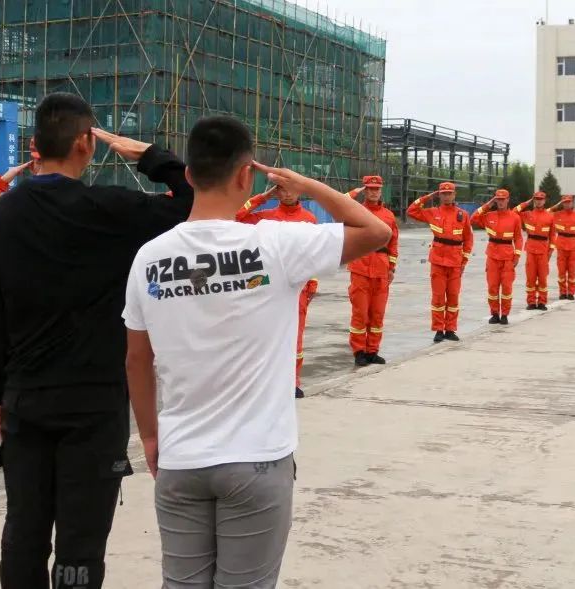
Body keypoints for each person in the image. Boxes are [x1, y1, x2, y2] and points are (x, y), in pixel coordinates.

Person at [122, 116, 390, 588]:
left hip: (181, 458)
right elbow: (375, 231)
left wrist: (149, 438)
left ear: (189, 175)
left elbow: (137, 360)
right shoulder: (276, 244)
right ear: (247, 175)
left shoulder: (150, 257)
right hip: (256, 459)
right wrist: (306, 185)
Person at [0, 93, 195, 589]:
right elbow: (192, 200)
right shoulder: (109, 210)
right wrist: (148, 156)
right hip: (94, 403)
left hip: (25, 398)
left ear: (35, 144)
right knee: (81, 542)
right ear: (85, 143)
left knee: (23, 532)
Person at [236, 184, 318, 397]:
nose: (288, 193)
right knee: (267, 335)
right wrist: (262, 197)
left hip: (298, 285)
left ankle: (292, 382)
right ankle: (268, 382)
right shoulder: (265, 218)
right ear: (276, 192)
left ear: (300, 191)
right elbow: (236, 217)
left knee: (295, 336)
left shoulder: (309, 219)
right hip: (269, 285)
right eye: (281, 190)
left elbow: (312, 255)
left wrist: (312, 284)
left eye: (291, 189)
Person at [407, 182, 474, 342]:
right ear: (439, 195)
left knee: (453, 297)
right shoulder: (433, 212)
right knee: (438, 297)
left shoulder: (463, 215)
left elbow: (468, 239)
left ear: (454, 195)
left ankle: (450, 329)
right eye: (443, 193)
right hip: (437, 261)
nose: (446, 196)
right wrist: (428, 196)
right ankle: (438, 329)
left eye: (449, 193)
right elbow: (411, 211)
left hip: (455, 262)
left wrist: (464, 261)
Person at [345, 175, 399, 365]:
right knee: (360, 313)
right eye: (369, 189)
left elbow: (393, 243)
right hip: (360, 268)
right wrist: (354, 192)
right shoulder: (355, 211)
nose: (373, 192)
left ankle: (372, 350)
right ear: (364, 190)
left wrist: (391, 268)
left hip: (381, 270)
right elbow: (340, 203)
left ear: (381, 191)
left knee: (377, 313)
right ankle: (359, 351)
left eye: (376, 189)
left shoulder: (389, 216)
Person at [471, 188, 523, 323]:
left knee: (507, 287)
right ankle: (494, 314)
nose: (500, 202)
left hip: (507, 257)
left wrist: (517, 255)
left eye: (503, 199)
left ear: (508, 200)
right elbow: (473, 218)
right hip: (492, 256)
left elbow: (518, 238)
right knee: (492, 287)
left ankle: (504, 314)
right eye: (498, 199)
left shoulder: (515, 217)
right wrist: (488, 204)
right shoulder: (489, 216)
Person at [515, 191, 555, 310]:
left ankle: (542, 302)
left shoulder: (550, 216)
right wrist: (526, 203)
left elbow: (553, 235)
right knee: (531, 278)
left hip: (543, 250)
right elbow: (513, 212)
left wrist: (551, 250)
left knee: (542, 278)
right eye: (536, 199)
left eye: (540, 199)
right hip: (531, 249)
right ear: (534, 200)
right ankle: (531, 302)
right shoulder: (527, 214)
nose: (538, 201)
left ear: (544, 201)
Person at [550, 195, 575, 300]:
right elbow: (546, 212)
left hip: (573, 246)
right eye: (565, 202)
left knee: (572, 271)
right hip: (561, 246)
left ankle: (571, 292)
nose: (567, 204)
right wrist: (556, 205)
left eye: (569, 202)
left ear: (572, 203)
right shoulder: (557, 215)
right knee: (561, 271)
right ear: (562, 203)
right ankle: (563, 292)